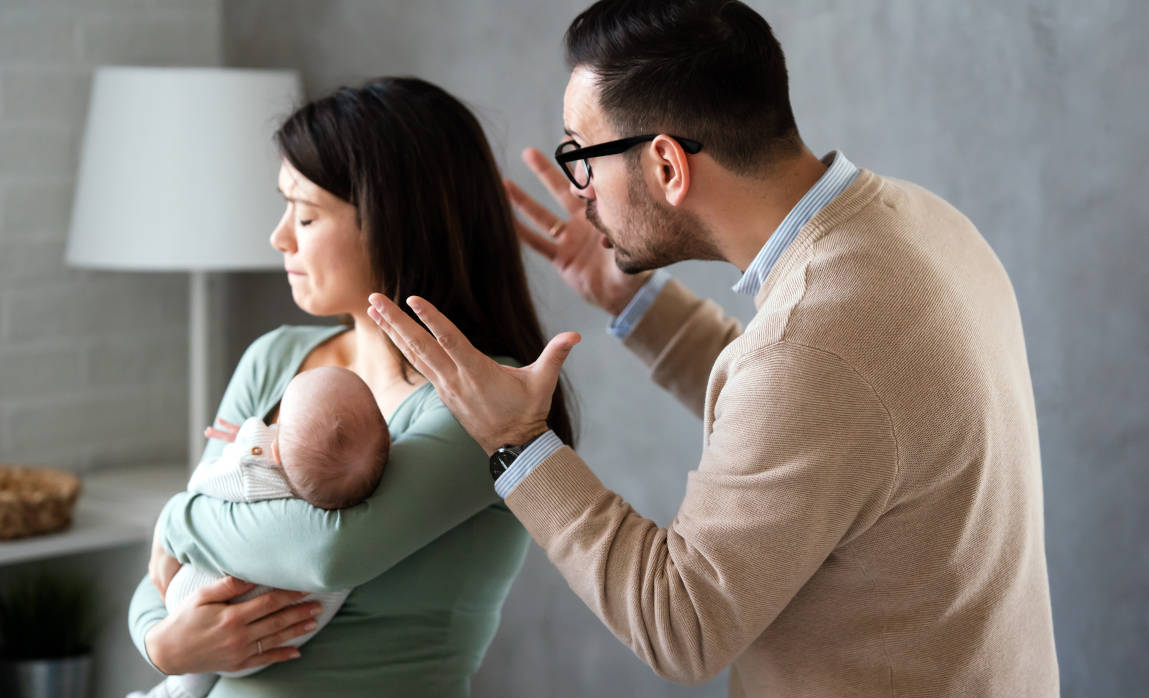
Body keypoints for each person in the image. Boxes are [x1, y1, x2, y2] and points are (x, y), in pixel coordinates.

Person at [366, 1, 1059, 696]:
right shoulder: (914, 220)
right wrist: (626, 296)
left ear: (666, 165)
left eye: (581, 154)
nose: (580, 190)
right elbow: (816, 419)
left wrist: (517, 440)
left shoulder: (812, 347)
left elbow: (681, 624)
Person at [128, 76, 575, 698]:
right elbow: (168, 577)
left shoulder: (488, 401)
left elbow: (328, 554)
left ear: (396, 221)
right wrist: (160, 642)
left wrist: (176, 518)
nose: (279, 237)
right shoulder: (276, 359)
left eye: (306, 214)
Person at [132, 366, 389, 698]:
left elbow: (201, 485)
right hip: (282, 639)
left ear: (276, 449)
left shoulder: (254, 475)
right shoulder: (354, 509)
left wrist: (243, 445)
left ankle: (176, 691)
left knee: (189, 666)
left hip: (201, 608)